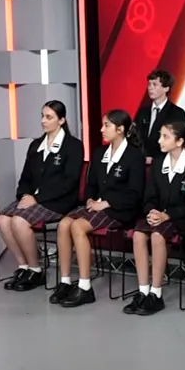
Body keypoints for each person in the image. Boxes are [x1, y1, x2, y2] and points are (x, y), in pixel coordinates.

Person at [52, 110, 146, 308]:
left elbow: (135, 194)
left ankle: (85, 288)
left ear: (120, 130)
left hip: (119, 209)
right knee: (64, 224)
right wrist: (90, 199)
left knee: (77, 227)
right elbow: (92, 184)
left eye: (107, 126)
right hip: (97, 206)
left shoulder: (134, 156)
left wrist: (106, 203)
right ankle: (66, 281)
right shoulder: (100, 152)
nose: (101, 129)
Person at [0, 101, 84, 291]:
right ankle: (24, 267)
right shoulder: (36, 145)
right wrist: (24, 195)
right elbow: (25, 177)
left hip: (58, 201)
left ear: (61, 120)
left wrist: (37, 198)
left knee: (19, 222)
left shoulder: (73, 146)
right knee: (3, 219)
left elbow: (69, 182)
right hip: (33, 199)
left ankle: (36, 271)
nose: (43, 121)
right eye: (43, 116)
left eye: (49, 117)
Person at [124, 120, 185, 316]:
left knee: (157, 236)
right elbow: (149, 197)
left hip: (183, 218)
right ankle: (143, 291)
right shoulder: (159, 163)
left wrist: (166, 215)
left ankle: (156, 294)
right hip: (159, 216)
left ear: (179, 141)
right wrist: (152, 211)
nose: (159, 140)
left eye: (165, 137)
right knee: (138, 235)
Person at [133, 69, 185, 163]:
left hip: (164, 163)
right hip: (140, 162)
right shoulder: (143, 112)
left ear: (166, 88)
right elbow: (135, 137)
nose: (150, 88)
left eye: (155, 84)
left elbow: (175, 143)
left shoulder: (177, 113)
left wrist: (154, 159)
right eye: (149, 84)